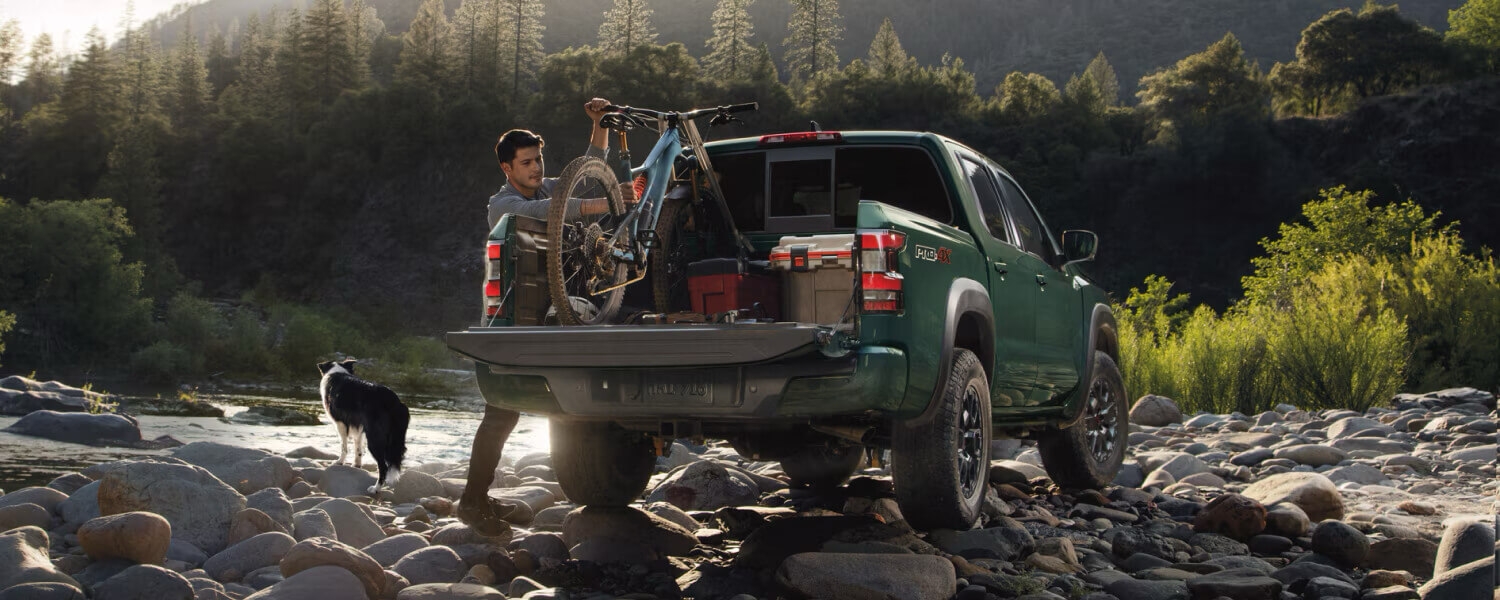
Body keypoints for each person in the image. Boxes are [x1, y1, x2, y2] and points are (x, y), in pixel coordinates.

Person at [459, 97, 633, 536]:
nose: (536, 168)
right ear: (507, 168)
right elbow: (559, 212)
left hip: (546, 313)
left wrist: (599, 125)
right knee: (501, 413)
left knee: (526, 409)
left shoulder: (545, 187)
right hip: (508, 319)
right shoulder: (503, 205)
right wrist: (612, 204)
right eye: (527, 162)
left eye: (538, 159)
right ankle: (471, 501)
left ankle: (480, 497)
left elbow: (588, 176)